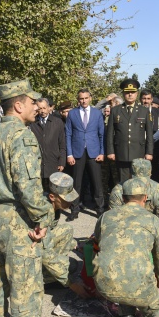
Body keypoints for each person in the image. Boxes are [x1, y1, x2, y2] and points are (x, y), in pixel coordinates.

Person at [0, 79, 74, 317]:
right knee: (25, 285)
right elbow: (28, 188)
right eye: (32, 102)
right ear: (18, 105)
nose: (36, 107)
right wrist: (43, 218)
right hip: (18, 219)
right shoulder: (22, 135)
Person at [92, 178, 159, 317]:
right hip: (137, 285)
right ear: (145, 198)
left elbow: (98, 244)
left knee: (122, 270)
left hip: (105, 284)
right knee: (157, 304)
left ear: (123, 198)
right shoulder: (153, 220)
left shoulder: (105, 217)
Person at [65, 89, 105, 221]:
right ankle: (74, 210)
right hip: (77, 152)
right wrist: (69, 154)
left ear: (90, 98)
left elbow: (101, 134)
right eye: (81, 98)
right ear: (78, 99)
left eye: (86, 98)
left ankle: (100, 210)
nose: (84, 101)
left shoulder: (97, 113)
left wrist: (102, 152)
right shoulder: (72, 113)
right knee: (76, 183)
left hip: (94, 152)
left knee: (97, 182)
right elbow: (68, 134)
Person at [105, 79, 153, 183]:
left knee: (138, 182)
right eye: (127, 92)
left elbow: (149, 134)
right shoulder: (115, 110)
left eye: (132, 92)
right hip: (121, 152)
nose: (130, 94)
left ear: (137, 93)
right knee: (123, 183)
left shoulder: (144, 111)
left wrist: (149, 152)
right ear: (123, 93)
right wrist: (110, 151)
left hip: (139, 153)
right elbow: (109, 133)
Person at [108, 159, 159, 235]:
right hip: (133, 232)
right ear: (150, 174)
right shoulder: (158, 190)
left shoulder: (118, 190)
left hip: (138, 232)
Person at [30, 97, 66, 193]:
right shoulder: (32, 124)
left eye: (44, 108)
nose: (42, 111)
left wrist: (62, 162)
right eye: (40, 108)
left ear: (49, 108)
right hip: (38, 164)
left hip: (53, 163)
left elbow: (62, 144)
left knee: (54, 192)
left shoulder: (57, 122)